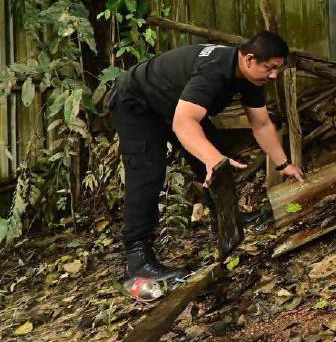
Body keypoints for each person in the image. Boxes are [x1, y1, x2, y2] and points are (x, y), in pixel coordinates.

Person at [109, 31, 305, 282]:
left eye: (277, 68)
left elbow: (262, 124)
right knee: (147, 172)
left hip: (170, 104)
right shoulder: (213, 72)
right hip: (135, 102)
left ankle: (225, 220)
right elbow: (183, 123)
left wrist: (284, 164)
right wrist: (213, 159)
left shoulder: (252, 79)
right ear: (249, 60)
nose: (274, 75)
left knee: (213, 147)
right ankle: (137, 261)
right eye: (270, 68)